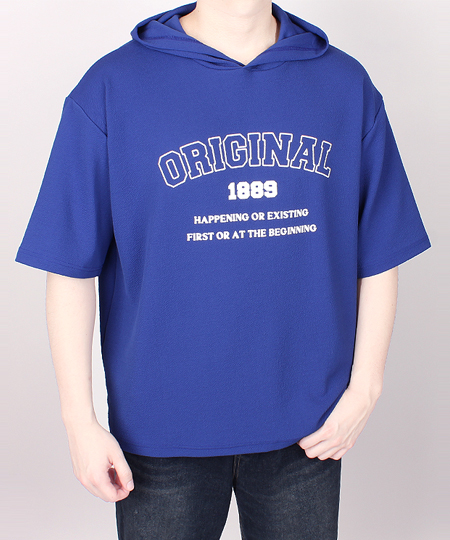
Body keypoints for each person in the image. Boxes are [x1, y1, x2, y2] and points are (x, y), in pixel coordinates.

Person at [15, 1, 431, 539]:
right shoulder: (113, 87)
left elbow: (378, 250)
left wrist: (365, 390)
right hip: (160, 434)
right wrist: (78, 421)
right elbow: (70, 265)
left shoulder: (345, 86)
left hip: (307, 429)